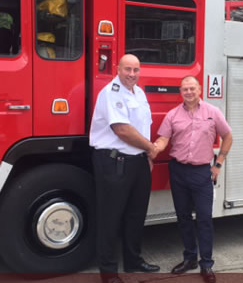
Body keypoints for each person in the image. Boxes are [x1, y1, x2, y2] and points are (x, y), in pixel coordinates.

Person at [153, 75, 233, 283]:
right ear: (180, 92)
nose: (188, 92)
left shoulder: (212, 113)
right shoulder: (172, 115)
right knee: (183, 218)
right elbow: (163, 139)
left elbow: (228, 136)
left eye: (192, 89)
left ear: (199, 90)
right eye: (184, 89)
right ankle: (190, 258)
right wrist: (152, 149)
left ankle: (206, 264)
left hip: (201, 173)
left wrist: (218, 164)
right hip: (178, 171)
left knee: (204, 219)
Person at [89, 54, 160, 283]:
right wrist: (151, 148)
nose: (132, 74)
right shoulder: (111, 92)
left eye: (136, 70)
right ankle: (108, 273)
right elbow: (122, 130)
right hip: (114, 161)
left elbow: (142, 126)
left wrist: (146, 155)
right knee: (110, 218)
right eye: (127, 69)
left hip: (138, 160)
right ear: (117, 69)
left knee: (135, 215)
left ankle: (133, 261)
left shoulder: (138, 92)